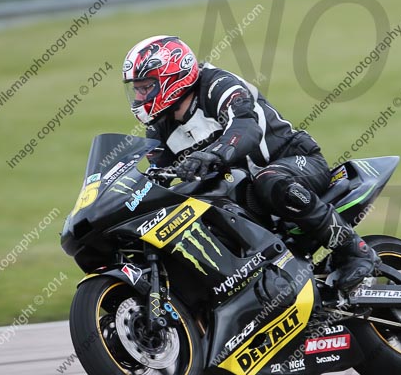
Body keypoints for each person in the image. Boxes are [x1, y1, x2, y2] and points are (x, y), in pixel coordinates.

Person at [122, 35, 379, 291]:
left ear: (173, 79)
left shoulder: (217, 85)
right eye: (136, 89)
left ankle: (355, 251)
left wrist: (214, 154)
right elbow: (159, 176)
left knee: (270, 180)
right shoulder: (158, 126)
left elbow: (245, 127)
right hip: (243, 192)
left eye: (147, 87)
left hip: (295, 160)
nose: (140, 96)